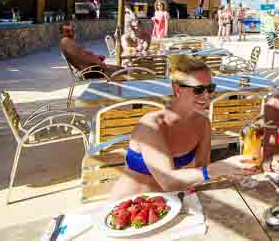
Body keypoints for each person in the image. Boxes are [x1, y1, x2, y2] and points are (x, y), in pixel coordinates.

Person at [110, 55, 258, 198]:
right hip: (130, 205)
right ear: (177, 89)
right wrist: (215, 169)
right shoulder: (151, 125)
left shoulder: (203, 124)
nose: (207, 95)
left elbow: (201, 172)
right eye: (198, 90)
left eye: (210, 88)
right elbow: (167, 181)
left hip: (174, 203)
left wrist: (229, 173)